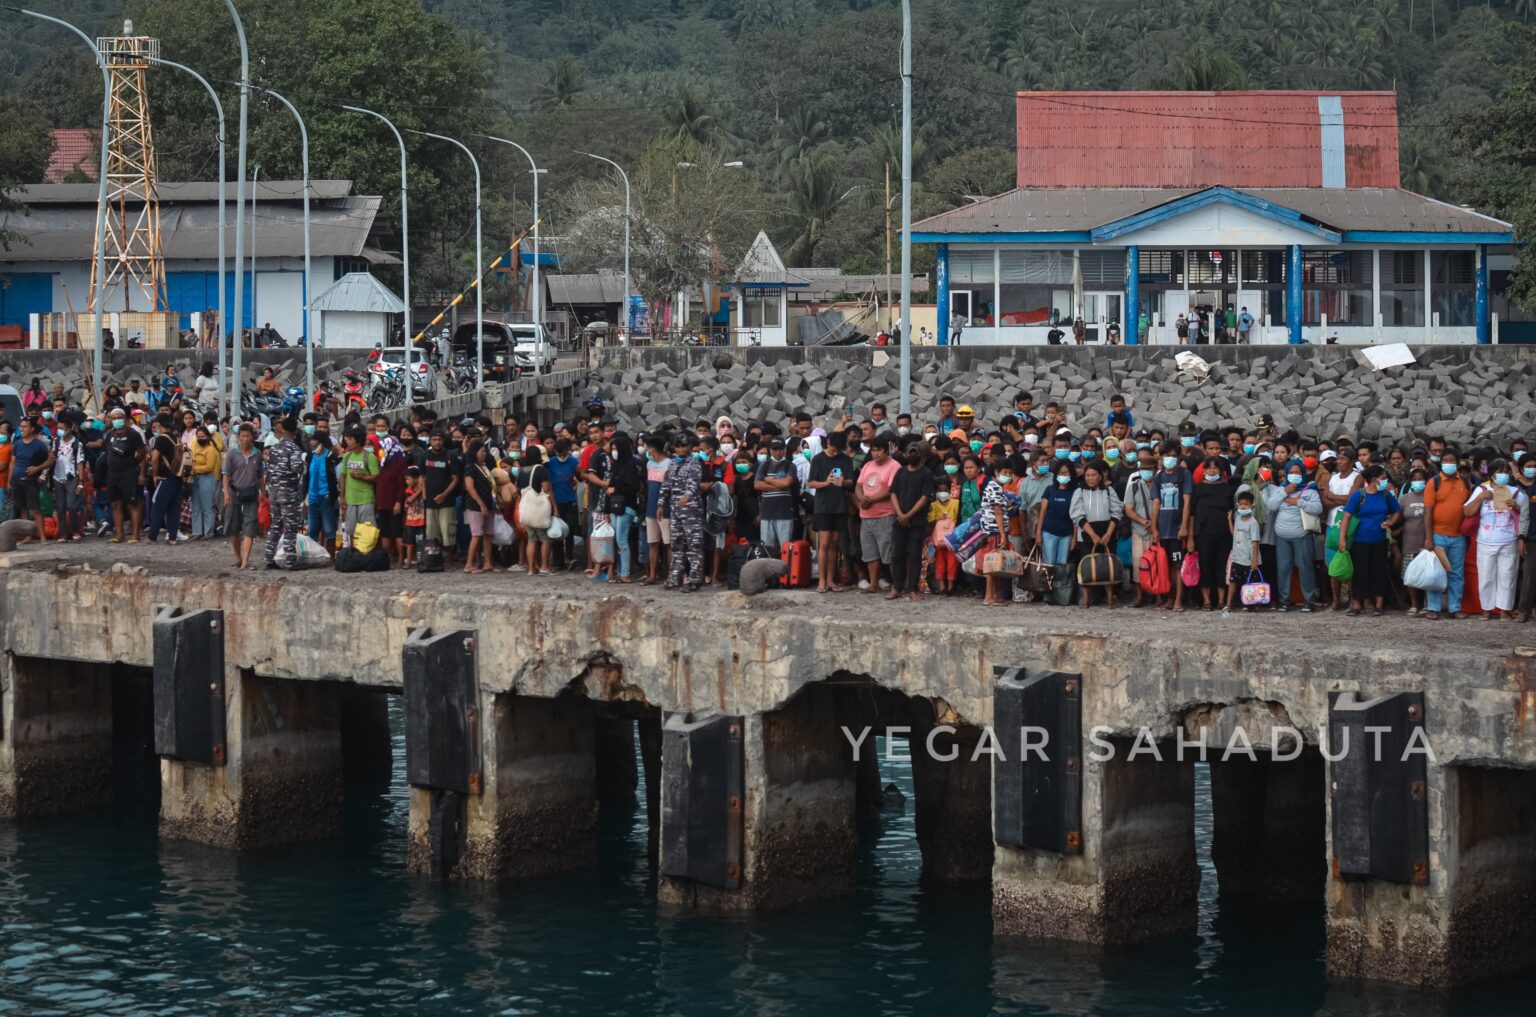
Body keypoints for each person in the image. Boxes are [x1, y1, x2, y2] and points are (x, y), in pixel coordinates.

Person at [1464, 460, 1528, 619]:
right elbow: (1467, 511)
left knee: (1508, 576)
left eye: (1506, 472)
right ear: (1491, 474)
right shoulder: (1481, 489)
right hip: (1485, 540)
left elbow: (1526, 516)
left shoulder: (1516, 492)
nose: (1503, 475)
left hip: (1509, 540)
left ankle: (1504, 611)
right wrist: (1480, 498)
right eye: (1500, 472)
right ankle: (1486, 609)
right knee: (1486, 577)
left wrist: (1516, 506)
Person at [1338, 465, 1402, 616]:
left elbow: (1397, 511)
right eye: (1384, 478)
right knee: (1360, 572)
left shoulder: (1386, 495)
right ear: (1374, 480)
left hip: (1380, 540)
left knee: (1379, 571)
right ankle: (1357, 604)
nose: (1386, 481)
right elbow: (1346, 516)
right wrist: (1342, 538)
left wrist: (1390, 523)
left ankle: (1379, 605)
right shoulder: (1358, 495)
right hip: (1360, 540)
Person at [1422, 448, 1475, 620]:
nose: (1449, 463)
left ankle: (1455, 608)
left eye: (1452, 460)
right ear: (1441, 462)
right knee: (1436, 572)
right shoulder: (1434, 482)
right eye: (1446, 460)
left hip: (1459, 536)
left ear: (1457, 463)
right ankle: (1433, 608)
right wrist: (1429, 537)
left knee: (1456, 573)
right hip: (1438, 535)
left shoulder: (1465, 483)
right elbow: (1428, 512)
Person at [1265, 461, 1322, 612]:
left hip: (1302, 536)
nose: (1294, 475)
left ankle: (1309, 601)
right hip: (1281, 537)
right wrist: (1285, 491)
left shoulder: (1310, 490)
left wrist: (1299, 501)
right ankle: (1284, 601)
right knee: (1283, 569)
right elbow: (1270, 507)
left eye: (1298, 472)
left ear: (1302, 473)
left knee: (1305, 568)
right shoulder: (1280, 490)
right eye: (1292, 472)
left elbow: (1318, 508)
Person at [1070, 461, 1123, 608]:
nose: (1090, 478)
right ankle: (1086, 598)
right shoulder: (1079, 491)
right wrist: (1092, 535)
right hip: (1087, 534)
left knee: (1108, 564)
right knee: (1087, 565)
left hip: (1108, 532)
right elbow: (1077, 515)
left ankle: (1110, 598)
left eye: (1094, 475)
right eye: (1087, 475)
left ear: (1101, 476)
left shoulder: (1109, 491)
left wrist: (1108, 533)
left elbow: (1117, 511)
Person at [888, 442, 934, 602]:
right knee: (896, 554)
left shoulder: (926, 473)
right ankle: (896, 587)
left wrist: (908, 515)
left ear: (920, 455)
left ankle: (913, 589)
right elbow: (893, 493)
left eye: (915, 453)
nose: (912, 455)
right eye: (910, 452)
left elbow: (924, 498)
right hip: (899, 519)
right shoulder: (900, 472)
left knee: (914, 555)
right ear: (906, 454)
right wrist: (900, 514)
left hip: (917, 521)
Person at [854, 437, 901, 594]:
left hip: (885, 514)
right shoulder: (868, 465)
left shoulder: (894, 466)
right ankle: (873, 584)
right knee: (870, 552)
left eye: (879, 450)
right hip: (866, 515)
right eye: (873, 450)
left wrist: (871, 500)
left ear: (886, 450)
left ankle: (896, 585)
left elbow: (891, 489)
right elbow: (859, 486)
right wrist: (862, 499)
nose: (876, 453)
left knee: (889, 552)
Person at [660, 435, 705, 590]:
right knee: (676, 545)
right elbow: (666, 485)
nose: (680, 448)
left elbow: (694, 483)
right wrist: (660, 504)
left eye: (683, 445)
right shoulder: (672, 464)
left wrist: (687, 496)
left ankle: (694, 579)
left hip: (691, 511)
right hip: (675, 510)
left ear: (689, 446)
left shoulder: (694, 463)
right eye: (677, 445)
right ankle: (675, 577)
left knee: (694, 545)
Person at [1189, 456, 1234, 610]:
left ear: (1221, 471)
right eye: (1209, 468)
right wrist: (1190, 537)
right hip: (1204, 534)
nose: (1212, 470)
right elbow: (1192, 514)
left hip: (1224, 534)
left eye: (1215, 468)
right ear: (1204, 470)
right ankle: (1206, 600)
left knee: (1222, 566)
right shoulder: (1198, 488)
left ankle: (1221, 600)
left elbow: (1233, 511)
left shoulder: (1228, 489)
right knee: (1205, 565)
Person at [263, 417, 306, 569]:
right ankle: (290, 561)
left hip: (274, 491)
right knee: (290, 527)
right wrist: (302, 466)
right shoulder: (294, 449)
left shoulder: (274, 448)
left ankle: (269, 558)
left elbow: (268, 471)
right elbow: (296, 468)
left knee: (275, 525)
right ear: (295, 431)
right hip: (288, 492)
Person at [604, 435, 643, 584]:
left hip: (627, 506)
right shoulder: (617, 464)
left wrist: (616, 489)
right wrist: (607, 511)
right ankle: (620, 571)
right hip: (615, 507)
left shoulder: (632, 464)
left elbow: (634, 487)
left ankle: (625, 572)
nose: (614, 451)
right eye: (612, 449)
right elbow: (610, 488)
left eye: (615, 448)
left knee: (621, 539)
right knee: (617, 540)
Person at [9, 417, 53, 538]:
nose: (21, 429)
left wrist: (38, 468)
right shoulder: (17, 444)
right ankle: (28, 536)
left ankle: (42, 537)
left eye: (25, 427)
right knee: (22, 509)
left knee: (35, 509)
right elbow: (13, 463)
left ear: (32, 429)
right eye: (21, 426)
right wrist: (10, 480)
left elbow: (50, 460)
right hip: (17, 480)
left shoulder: (39, 445)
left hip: (31, 481)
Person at [144, 415, 183, 544]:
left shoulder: (161, 439)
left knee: (157, 505)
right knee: (174, 507)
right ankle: (173, 537)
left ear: (159, 424)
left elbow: (155, 458)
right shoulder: (176, 437)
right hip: (178, 476)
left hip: (166, 477)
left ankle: (152, 536)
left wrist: (155, 475)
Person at [754, 438, 796, 557]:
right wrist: (779, 484)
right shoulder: (764, 466)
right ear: (770, 450)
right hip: (767, 513)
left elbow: (787, 484)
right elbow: (757, 485)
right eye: (775, 449)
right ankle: (770, 575)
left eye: (780, 449)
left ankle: (786, 573)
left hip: (784, 513)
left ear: (785, 450)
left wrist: (767, 479)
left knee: (786, 548)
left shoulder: (790, 465)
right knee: (767, 549)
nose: (778, 452)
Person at [339, 427, 379, 547]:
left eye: (350, 439)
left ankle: (367, 553)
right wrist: (342, 497)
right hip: (350, 500)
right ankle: (353, 553)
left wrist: (361, 477)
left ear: (358, 440)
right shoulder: (347, 457)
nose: (348, 442)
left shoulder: (369, 457)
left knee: (367, 530)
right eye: (347, 439)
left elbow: (376, 477)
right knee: (351, 530)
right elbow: (343, 476)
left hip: (366, 499)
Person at [462, 440, 496, 574]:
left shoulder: (485, 467)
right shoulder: (470, 467)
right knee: (476, 534)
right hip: (475, 506)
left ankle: (488, 562)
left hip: (489, 504)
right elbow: (470, 487)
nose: (484, 453)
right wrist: (481, 504)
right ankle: (469, 564)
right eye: (482, 451)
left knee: (488, 534)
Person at [1227, 490, 1262, 611]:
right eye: (1241, 504)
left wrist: (1254, 560)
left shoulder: (1253, 523)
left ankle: (1250, 604)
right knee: (1233, 581)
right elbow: (1234, 534)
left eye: (1246, 504)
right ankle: (1229, 604)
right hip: (1237, 557)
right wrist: (1229, 520)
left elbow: (1255, 542)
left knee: (1250, 583)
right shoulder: (1237, 519)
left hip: (1249, 559)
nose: (1243, 506)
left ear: (1252, 505)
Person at [187, 425, 222, 539]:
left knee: (207, 507)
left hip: (207, 478)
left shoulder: (211, 450)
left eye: (202, 436)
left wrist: (194, 468)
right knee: (196, 507)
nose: (200, 438)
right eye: (198, 437)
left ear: (208, 437)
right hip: (196, 478)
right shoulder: (195, 449)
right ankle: (197, 532)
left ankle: (208, 532)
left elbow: (209, 467)